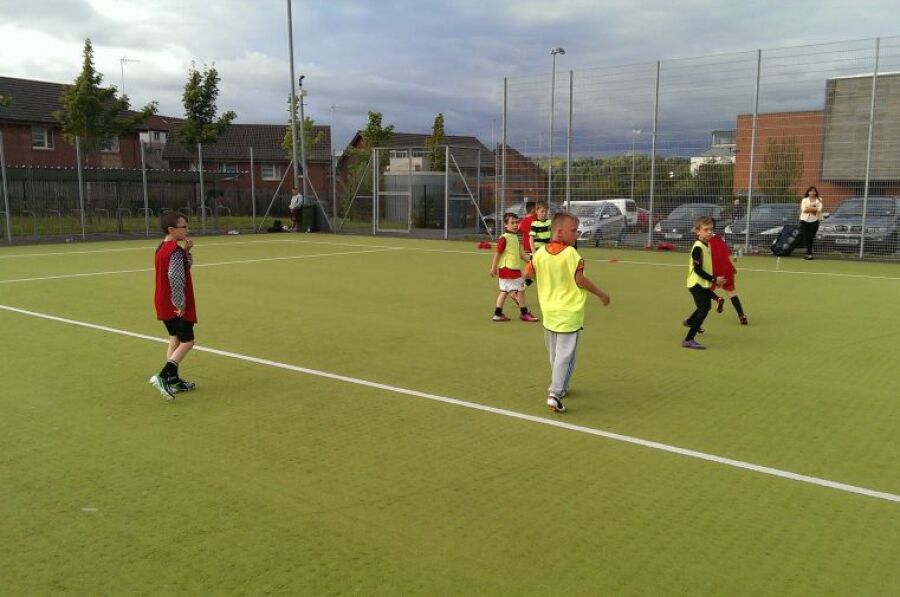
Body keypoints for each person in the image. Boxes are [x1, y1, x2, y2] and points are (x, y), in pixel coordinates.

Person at [526, 212, 610, 413]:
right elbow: (580, 279)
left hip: (549, 312)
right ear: (559, 231)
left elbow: (528, 273)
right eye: (573, 231)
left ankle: (561, 386)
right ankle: (555, 393)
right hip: (568, 313)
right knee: (566, 355)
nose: (576, 234)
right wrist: (601, 294)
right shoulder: (571, 253)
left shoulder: (539, 254)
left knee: (556, 354)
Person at [149, 212, 198, 400]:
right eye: (183, 227)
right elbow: (176, 278)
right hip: (174, 304)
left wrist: (186, 251)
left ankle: (173, 380)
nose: (187, 230)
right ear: (171, 229)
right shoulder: (174, 251)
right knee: (188, 341)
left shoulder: (161, 248)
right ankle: (163, 376)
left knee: (175, 339)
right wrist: (180, 303)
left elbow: (180, 269)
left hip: (162, 302)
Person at [682, 216, 726, 350]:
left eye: (711, 229)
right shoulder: (698, 248)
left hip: (702, 283)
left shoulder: (707, 245)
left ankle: (690, 321)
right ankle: (688, 340)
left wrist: (714, 279)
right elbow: (697, 270)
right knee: (704, 309)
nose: (709, 232)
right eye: (706, 230)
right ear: (698, 231)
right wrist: (714, 279)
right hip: (696, 284)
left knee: (705, 307)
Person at [489, 212, 539, 322]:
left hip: (509, 270)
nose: (516, 225)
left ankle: (497, 314)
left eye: (517, 222)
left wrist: (532, 261)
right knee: (520, 289)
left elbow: (521, 254)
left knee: (504, 291)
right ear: (505, 225)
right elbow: (498, 253)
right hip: (509, 269)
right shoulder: (505, 238)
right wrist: (493, 267)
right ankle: (524, 313)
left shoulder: (514, 237)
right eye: (512, 223)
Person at [708, 222, 748, 325]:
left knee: (703, 290)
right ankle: (741, 315)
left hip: (714, 271)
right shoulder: (720, 239)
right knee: (732, 293)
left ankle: (717, 299)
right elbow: (728, 253)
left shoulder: (704, 241)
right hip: (727, 269)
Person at [799, 186, 823, 260]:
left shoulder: (819, 200)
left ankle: (809, 254)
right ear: (808, 192)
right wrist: (813, 208)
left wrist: (809, 208)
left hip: (814, 221)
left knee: (811, 238)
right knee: (806, 237)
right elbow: (804, 210)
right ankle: (808, 254)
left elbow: (819, 210)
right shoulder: (804, 200)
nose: (812, 192)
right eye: (811, 191)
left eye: (814, 191)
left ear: (816, 192)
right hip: (804, 221)